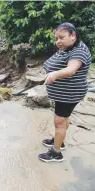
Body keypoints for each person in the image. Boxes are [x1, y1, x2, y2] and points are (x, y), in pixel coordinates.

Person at [39, 22, 92, 162]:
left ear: (73, 35)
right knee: (64, 119)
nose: (58, 41)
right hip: (64, 93)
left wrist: (54, 75)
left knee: (59, 122)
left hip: (69, 94)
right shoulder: (68, 47)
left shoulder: (79, 50)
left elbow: (71, 70)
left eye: (61, 37)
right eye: (56, 38)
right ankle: (59, 140)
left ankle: (56, 153)